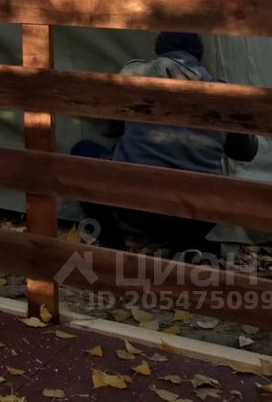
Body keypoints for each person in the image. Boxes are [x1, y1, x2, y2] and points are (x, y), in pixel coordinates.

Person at [71, 31, 258, 255]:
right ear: (200, 57)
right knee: (220, 182)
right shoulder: (222, 92)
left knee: (83, 151)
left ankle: (109, 238)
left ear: (157, 52)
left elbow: (108, 128)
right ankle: (186, 243)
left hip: (136, 206)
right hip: (196, 212)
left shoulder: (134, 74)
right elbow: (246, 152)